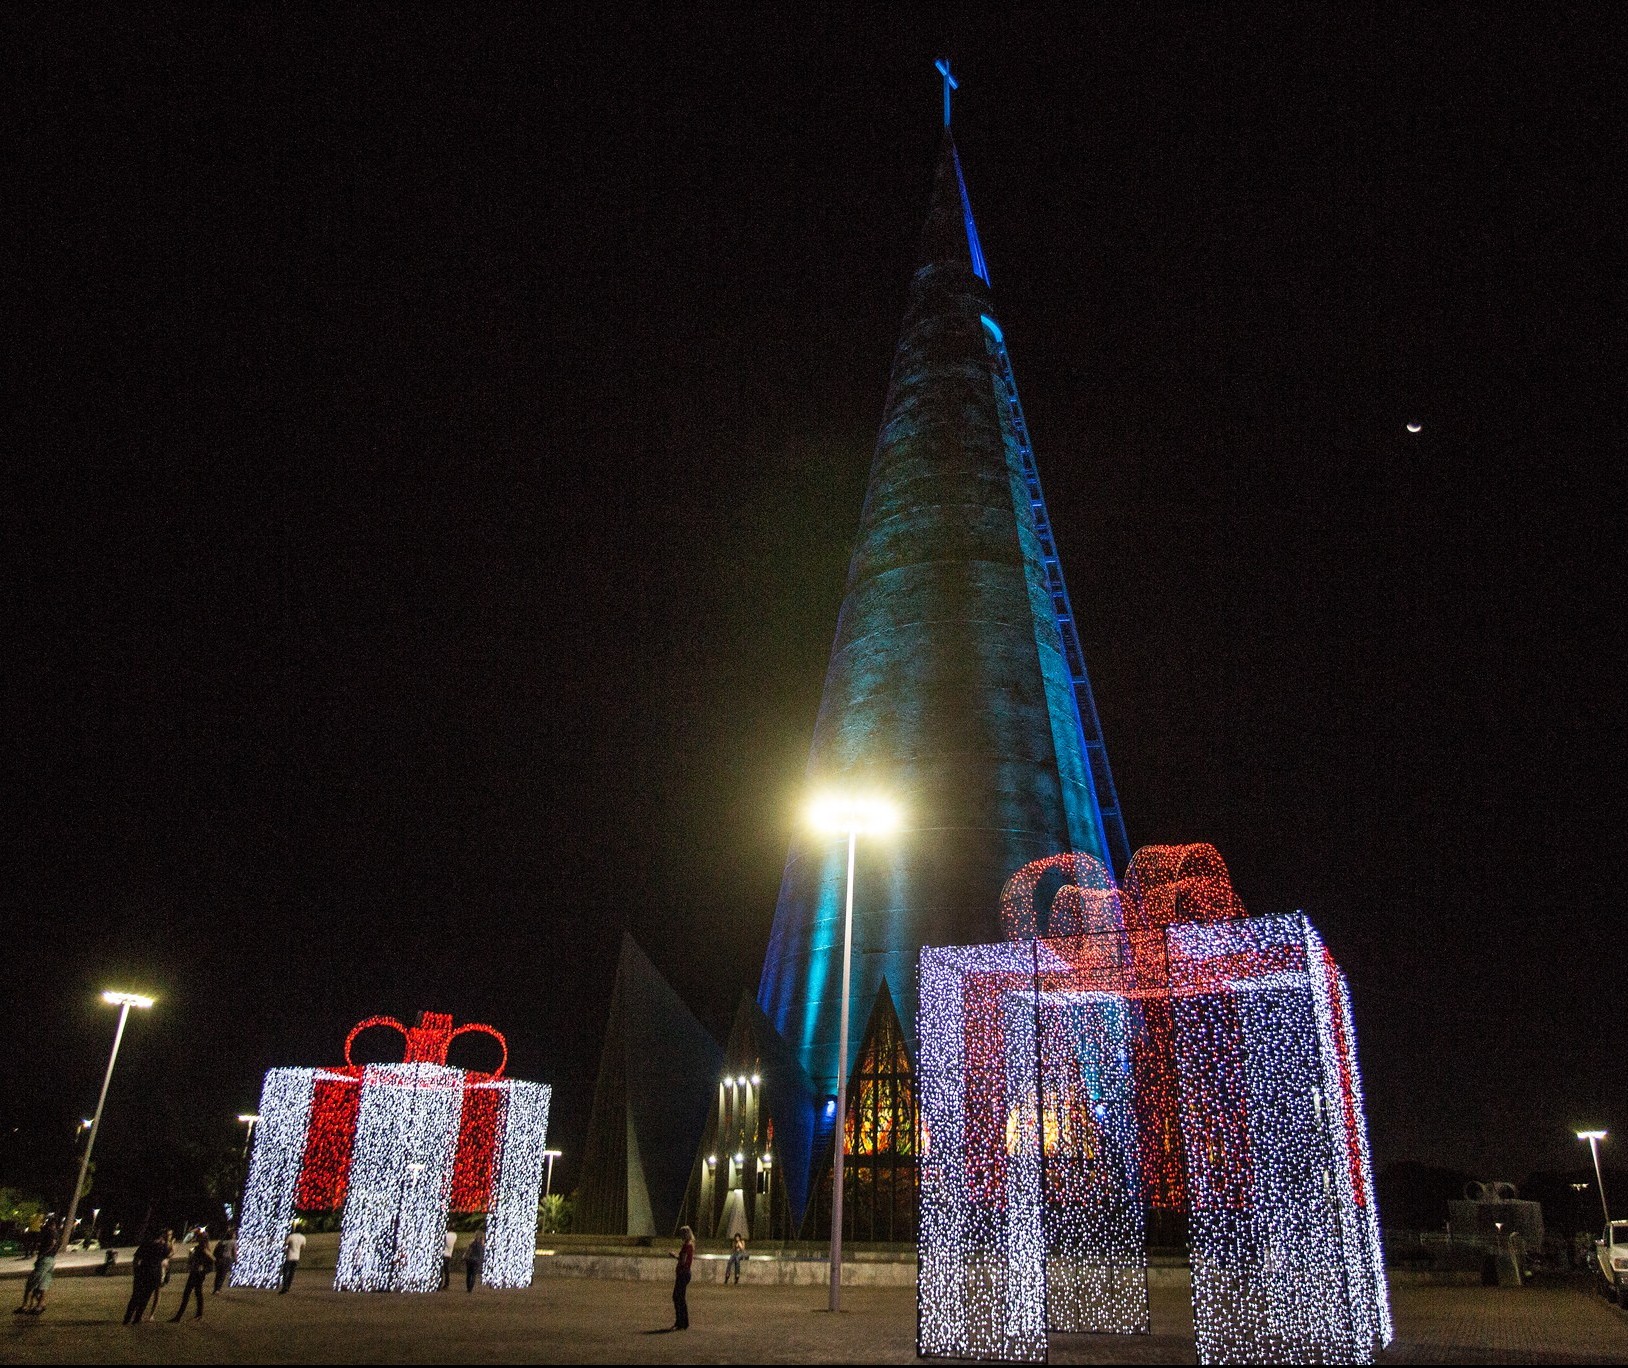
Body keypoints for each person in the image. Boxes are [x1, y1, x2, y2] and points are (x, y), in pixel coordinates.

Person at [168, 1228, 214, 1322]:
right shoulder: (199, 1248)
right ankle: (197, 1314)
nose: (196, 1238)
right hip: (196, 1273)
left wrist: (203, 1268)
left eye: (198, 1237)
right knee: (197, 1293)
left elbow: (212, 1259)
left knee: (188, 1294)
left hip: (197, 1274)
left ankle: (179, 1316)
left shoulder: (203, 1248)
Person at [14, 1225, 59, 1315]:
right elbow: (55, 1244)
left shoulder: (49, 1233)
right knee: (43, 1284)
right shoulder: (56, 1234)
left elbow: (52, 1243)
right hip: (51, 1260)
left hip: (45, 1260)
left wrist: (42, 1253)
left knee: (31, 1283)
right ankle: (40, 1305)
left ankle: (25, 1306)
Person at [125, 1231, 168, 1324]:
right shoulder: (163, 1247)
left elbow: (136, 1259)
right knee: (145, 1298)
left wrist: (136, 1271)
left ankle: (127, 1318)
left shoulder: (146, 1245)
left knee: (135, 1296)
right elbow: (165, 1260)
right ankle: (137, 1318)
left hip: (142, 1273)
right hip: (155, 1275)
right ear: (161, 1237)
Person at [669, 1226, 695, 1330]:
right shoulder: (691, 1245)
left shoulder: (686, 1246)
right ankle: (684, 1322)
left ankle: (680, 1322)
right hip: (686, 1273)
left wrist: (674, 1256)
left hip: (683, 1273)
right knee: (681, 1298)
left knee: (677, 1297)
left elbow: (683, 1261)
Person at [146, 1230, 175, 1318]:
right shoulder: (160, 1243)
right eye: (167, 1234)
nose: (168, 1236)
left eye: (170, 1234)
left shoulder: (168, 1244)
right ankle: (146, 1313)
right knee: (149, 1291)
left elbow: (171, 1254)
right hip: (156, 1268)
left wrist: (172, 1246)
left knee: (157, 1291)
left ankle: (152, 1315)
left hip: (162, 1270)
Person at [279, 1224, 305, 1294]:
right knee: (292, 1272)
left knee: (285, 1271)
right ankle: (288, 1286)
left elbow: (285, 1244)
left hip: (289, 1256)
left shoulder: (291, 1236)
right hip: (296, 1257)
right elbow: (303, 1247)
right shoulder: (303, 1238)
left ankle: (285, 1286)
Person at [212, 1227, 237, 1293]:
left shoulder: (222, 1241)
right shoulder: (233, 1242)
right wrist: (236, 1259)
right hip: (227, 1259)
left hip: (219, 1259)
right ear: (232, 1235)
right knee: (223, 1274)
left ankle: (215, 1288)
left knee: (218, 1274)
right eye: (234, 1234)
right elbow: (234, 1251)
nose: (235, 1235)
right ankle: (218, 1289)